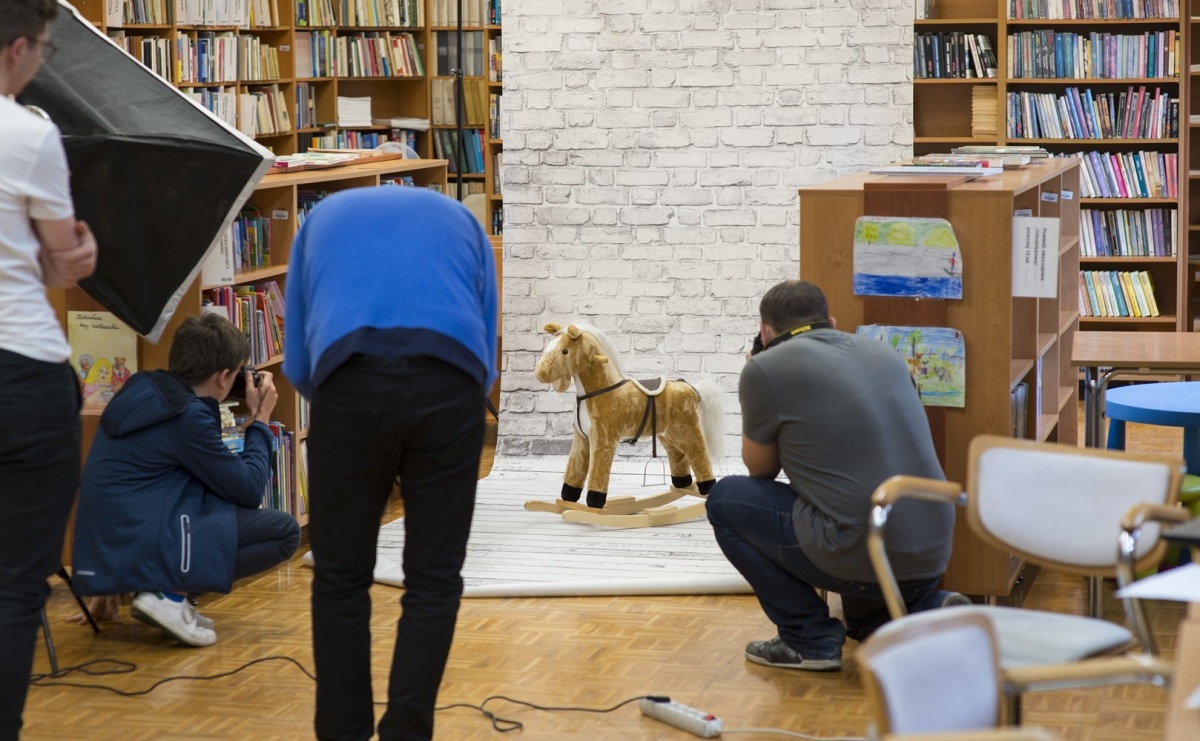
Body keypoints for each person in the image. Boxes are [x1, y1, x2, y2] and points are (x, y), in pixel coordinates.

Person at [284, 186, 497, 741]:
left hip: (350, 379)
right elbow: (486, 337)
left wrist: (337, 406)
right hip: (449, 379)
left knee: (339, 578)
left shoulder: (320, 220)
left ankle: (342, 732)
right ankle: (407, 731)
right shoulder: (460, 219)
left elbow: (300, 356)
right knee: (433, 578)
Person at [706, 279, 960, 673]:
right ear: (832, 321)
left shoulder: (764, 367)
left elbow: (761, 470)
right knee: (862, 624)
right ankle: (928, 608)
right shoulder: (885, 352)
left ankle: (808, 638)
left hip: (859, 546)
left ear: (765, 332)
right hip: (931, 546)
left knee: (725, 499)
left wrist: (754, 380)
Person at [71, 314, 301, 647]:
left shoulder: (142, 388)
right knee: (283, 532)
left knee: (207, 497)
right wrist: (261, 420)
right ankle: (168, 596)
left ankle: (149, 590)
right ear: (224, 377)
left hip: (105, 548)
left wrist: (110, 585)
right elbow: (249, 490)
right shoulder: (187, 415)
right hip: (137, 538)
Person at [0, 1, 99, 736]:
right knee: (12, 586)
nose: (42, 62)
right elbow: (63, 265)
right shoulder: (29, 134)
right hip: (20, 371)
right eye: (42, 50)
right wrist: (81, 251)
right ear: (13, 49)